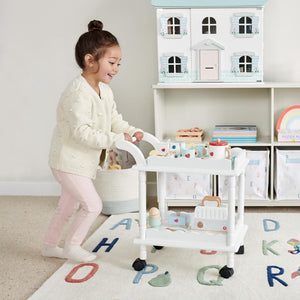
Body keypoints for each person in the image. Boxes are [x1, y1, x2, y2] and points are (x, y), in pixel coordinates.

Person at [42, 20, 143, 263]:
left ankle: (49, 245)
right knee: (93, 205)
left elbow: (113, 119)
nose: (116, 68)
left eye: (119, 63)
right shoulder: (77, 93)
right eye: (111, 62)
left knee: (68, 207)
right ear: (90, 61)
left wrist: (131, 131)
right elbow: (81, 132)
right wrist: (116, 139)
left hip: (82, 163)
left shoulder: (104, 90)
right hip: (67, 161)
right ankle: (72, 246)